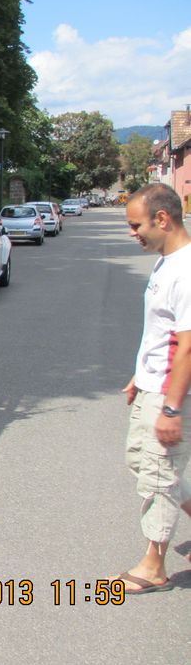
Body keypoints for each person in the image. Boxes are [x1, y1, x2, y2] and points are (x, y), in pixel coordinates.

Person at [118, 183, 191, 594]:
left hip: (170, 395)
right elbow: (161, 335)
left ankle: (154, 566)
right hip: (153, 386)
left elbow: (188, 346)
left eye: (136, 225)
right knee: (141, 463)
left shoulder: (186, 269)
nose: (134, 233)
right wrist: (140, 375)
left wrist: (171, 408)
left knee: (159, 477)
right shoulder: (167, 261)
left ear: (162, 219)